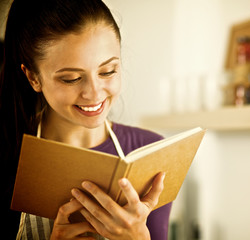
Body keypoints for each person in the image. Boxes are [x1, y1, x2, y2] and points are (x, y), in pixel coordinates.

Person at [0, 0, 172, 239]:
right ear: (33, 78)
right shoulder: (8, 157)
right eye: (70, 78)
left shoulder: (151, 151)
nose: (94, 93)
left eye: (108, 71)